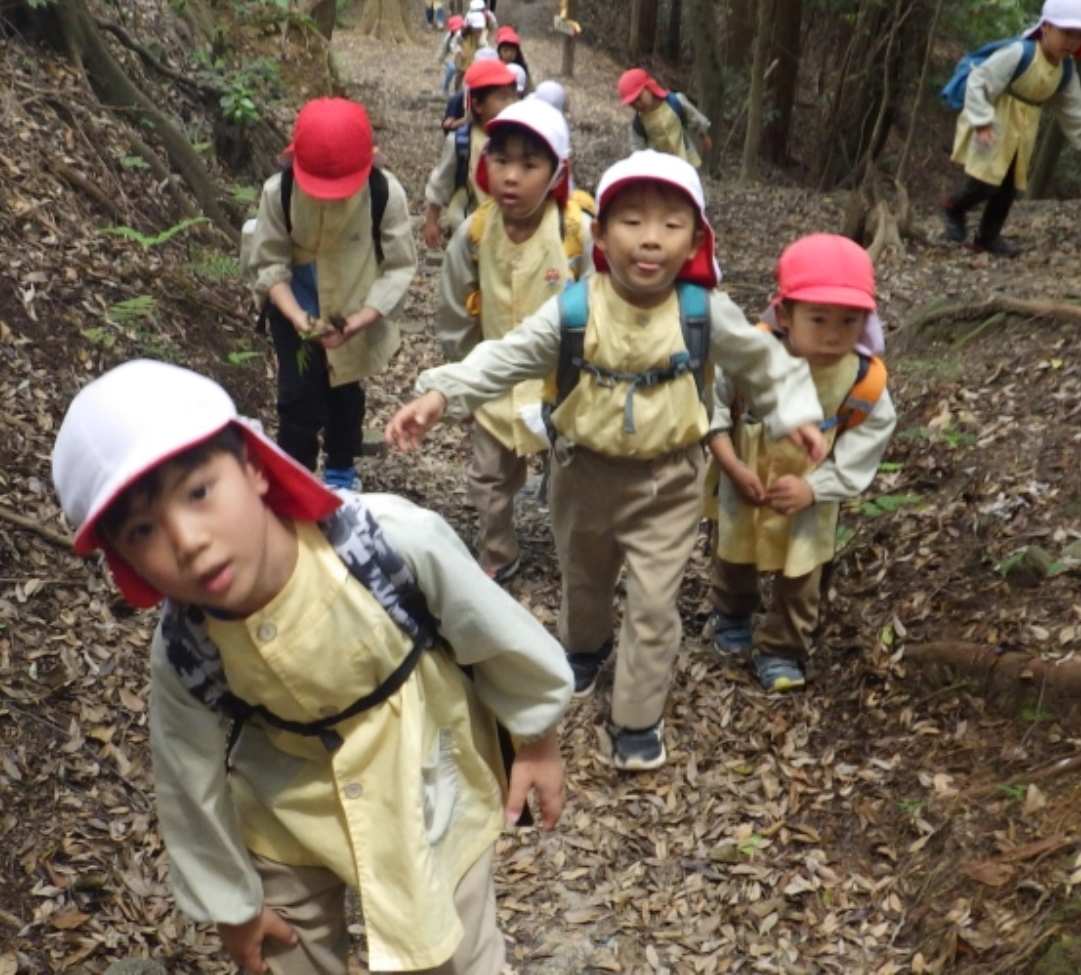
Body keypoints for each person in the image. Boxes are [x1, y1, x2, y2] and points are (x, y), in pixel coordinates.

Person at [51, 361, 572, 975]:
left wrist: (536, 739)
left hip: (421, 772)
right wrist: (232, 905)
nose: (187, 539)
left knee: (452, 950)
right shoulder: (187, 648)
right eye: (143, 530)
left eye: (198, 492)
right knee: (289, 957)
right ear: (127, 562)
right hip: (285, 806)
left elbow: (492, 630)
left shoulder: (382, 542)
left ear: (253, 468)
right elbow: (186, 776)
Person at [387, 151, 829, 772]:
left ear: (695, 240)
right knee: (585, 577)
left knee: (653, 605)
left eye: (672, 225)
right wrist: (440, 394)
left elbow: (764, 365)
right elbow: (507, 356)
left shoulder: (702, 311)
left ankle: (636, 720)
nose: (651, 239)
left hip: (669, 481)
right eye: (632, 222)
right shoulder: (575, 309)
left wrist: (796, 413)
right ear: (600, 232)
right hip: (582, 472)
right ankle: (582, 649)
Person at [707, 234, 896, 693]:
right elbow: (709, 408)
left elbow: (871, 432)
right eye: (819, 319)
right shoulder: (751, 354)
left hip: (812, 488)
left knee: (803, 574)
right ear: (786, 315)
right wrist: (731, 465)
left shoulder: (862, 377)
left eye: (849, 321)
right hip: (746, 470)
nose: (834, 335)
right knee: (733, 550)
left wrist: (817, 487)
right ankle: (731, 613)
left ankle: (782, 647)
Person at [435, 100, 590, 580]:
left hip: (565, 386)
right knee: (489, 475)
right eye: (500, 160)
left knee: (573, 476)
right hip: (497, 379)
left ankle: (580, 562)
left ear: (556, 171)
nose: (511, 176)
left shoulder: (576, 233)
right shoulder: (475, 233)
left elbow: (605, 302)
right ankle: (498, 551)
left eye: (529, 164)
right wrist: (463, 381)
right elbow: (455, 309)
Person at [249, 99, 417, 491]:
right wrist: (296, 317)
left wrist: (363, 318)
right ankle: (296, 479)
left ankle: (341, 470)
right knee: (296, 397)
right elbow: (270, 262)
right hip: (297, 305)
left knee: (345, 392)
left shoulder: (383, 193)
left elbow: (398, 265)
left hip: (354, 306)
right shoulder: (280, 192)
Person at [942, 0, 1081, 257]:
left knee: (1009, 186)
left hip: (1024, 128)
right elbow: (979, 81)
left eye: (1079, 36)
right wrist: (983, 121)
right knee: (986, 180)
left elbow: (1073, 109)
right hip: (995, 117)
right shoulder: (1019, 53)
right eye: (1066, 33)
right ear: (1045, 27)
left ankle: (987, 237)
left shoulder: (1065, 69)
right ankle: (954, 208)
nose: (1071, 42)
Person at [423, 59, 519, 249]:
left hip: (507, 228)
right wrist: (432, 220)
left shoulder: (519, 139)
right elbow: (441, 181)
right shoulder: (461, 141)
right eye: (502, 97)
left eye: (513, 97)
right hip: (468, 226)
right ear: (477, 105)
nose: (510, 103)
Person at [619, 68, 712, 169]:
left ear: (649, 88)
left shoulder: (675, 101)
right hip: (660, 166)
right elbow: (636, 145)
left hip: (684, 157)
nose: (638, 105)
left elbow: (694, 117)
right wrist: (641, 163)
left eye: (639, 98)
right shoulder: (639, 123)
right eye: (632, 104)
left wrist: (703, 136)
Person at [437, 14, 468, 96]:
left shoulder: (464, 34)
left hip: (460, 59)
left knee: (461, 74)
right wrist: (439, 60)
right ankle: (445, 87)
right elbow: (446, 47)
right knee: (452, 68)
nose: (457, 30)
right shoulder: (449, 36)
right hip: (449, 57)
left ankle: (458, 91)